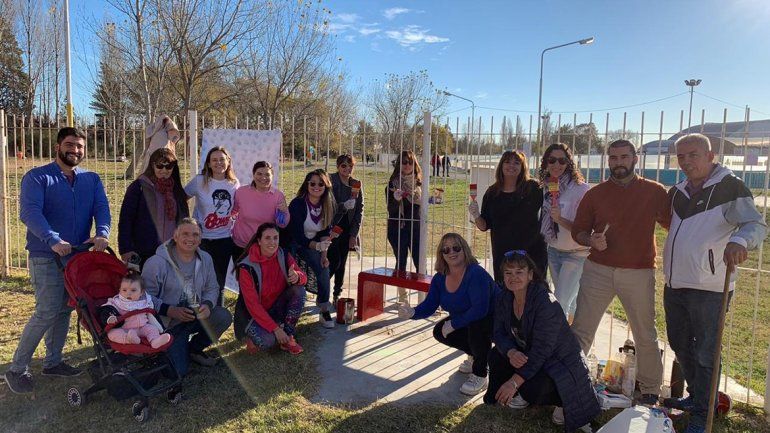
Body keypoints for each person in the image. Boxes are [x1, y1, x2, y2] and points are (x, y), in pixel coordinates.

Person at [661, 134, 766, 433]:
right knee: (679, 343)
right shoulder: (678, 190)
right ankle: (698, 397)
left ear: (711, 155)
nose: (686, 161)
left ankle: (703, 411)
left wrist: (739, 240)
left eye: (693, 154)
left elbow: (755, 224)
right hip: (676, 282)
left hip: (710, 285)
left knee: (707, 350)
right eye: (681, 156)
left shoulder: (730, 187)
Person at [4, 127, 111, 394]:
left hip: (77, 257)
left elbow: (102, 209)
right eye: (70, 145)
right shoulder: (37, 177)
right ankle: (16, 369)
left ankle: (53, 362)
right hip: (46, 256)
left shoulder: (92, 179)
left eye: (80, 146)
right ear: (57, 146)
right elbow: (30, 212)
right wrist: (52, 239)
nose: (75, 150)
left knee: (65, 309)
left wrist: (102, 233)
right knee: (46, 311)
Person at [570, 139, 670, 405]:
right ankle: (570, 381)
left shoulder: (655, 191)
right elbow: (577, 230)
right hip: (598, 270)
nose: (618, 163)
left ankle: (650, 390)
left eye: (624, 157)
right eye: (613, 158)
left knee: (645, 333)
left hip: (639, 272)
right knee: (582, 329)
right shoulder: (595, 193)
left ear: (635, 159)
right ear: (608, 161)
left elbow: (675, 225)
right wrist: (590, 240)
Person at [484, 251, 599, 432]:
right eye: (508, 273)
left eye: (519, 272)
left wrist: (514, 381)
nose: (513, 277)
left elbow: (542, 351)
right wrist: (510, 352)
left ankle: (562, 402)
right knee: (495, 356)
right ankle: (507, 394)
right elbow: (497, 333)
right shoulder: (504, 297)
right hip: (527, 354)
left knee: (532, 388)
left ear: (530, 275)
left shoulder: (546, 302)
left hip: (559, 362)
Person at [398, 233, 496, 396]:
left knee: (476, 326)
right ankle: (476, 355)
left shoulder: (475, 273)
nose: (451, 252)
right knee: (439, 331)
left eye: (456, 247)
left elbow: (480, 309)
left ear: (464, 249)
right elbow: (430, 304)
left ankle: (480, 373)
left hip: (493, 319)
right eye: (446, 249)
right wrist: (413, 312)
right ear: (441, 254)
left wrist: (454, 324)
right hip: (469, 318)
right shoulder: (439, 278)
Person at [142, 218, 232, 377]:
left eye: (195, 234)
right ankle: (171, 349)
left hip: (194, 316)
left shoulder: (205, 259)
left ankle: (194, 350)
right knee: (176, 372)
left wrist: (208, 304)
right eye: (185, 234)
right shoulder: (156, 262)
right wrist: (169, 310)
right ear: (175, 236)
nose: (190, 239)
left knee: (223, 316)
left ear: (201, 237)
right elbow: (143, 298)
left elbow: (212, 287)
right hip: (167, 325)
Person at [469, 150, 546, 282]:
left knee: (534, 295)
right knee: (506, 292)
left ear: (522, 167)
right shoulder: (492, 193)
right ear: (501, 165)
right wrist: (476, 215)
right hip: (503, 255)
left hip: (532, 254)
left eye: (517, 163)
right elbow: (484, 226)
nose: (512, 165)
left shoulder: (533, 188)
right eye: (507, 162)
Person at [233, 223, 308, 355]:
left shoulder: (283, 255)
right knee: (267, 341)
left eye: (275, 238)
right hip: (253, 316)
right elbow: (253, 305)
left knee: (299, 290)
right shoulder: (246, 267)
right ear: (259, 241)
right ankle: (254, 336)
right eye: (267, 238)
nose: (272, 242)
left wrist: (297, 277)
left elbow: (303, 278)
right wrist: (275, 329)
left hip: (276, 308)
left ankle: (288, 337)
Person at [539, 143, 591, 321]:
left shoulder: (581, 190)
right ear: (545, 162)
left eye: (562, 160)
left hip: (576, 254)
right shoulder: (546, 187)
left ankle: (557, 344)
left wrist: (561, 219)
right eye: (552, 160)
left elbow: (585, 228)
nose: (556, 165)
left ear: (569, 163)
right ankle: (577, 341)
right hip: (554, 251)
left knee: (560, 302)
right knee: (572, 301)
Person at [185, 146, 240, 306]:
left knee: (218, 282)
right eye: (214, 160)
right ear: (208, 163)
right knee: (199, 281)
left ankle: (216, 320)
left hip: (224, 240)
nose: (218, 163)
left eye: (222, 159)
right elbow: (182, 198)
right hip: (202, 240)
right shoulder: (199, 181)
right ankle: (197, 318)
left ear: (228, 162)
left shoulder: (234, 183)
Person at [119, 148, 189, 269]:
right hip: (144, 251)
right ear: (152, 165)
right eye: (160, 166)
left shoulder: (177, 190)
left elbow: (184, 220)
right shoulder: (139, 187)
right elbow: (126, 219)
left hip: (172, 252)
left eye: (169, 166)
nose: (164, 170)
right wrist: (125, 249)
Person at [288, 169, 336, 328]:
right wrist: (316, 245)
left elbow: (324, 232)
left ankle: (323, 308)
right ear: (306, 185)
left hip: (312, 243)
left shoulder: (327, 205)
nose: (317, 187)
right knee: (287, 272)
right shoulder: (298, 204)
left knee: (324, 268)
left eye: (320, 184)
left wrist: (324, 255)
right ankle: (287, 308)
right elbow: (297, 234)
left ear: (326, 186)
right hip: (293, 242)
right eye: (312, 183)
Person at [231, 161, 290, 266]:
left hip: (265, 247)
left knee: (262, 280)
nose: (263, 177)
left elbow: (282, 224)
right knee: (242, 279)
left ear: (272, 176)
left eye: (267, 174)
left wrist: (285, 211)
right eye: (259, 174)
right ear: (253, 175)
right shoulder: (241, 192)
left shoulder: (278, 196)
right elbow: (232, 212)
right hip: (241, 246)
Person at [103, 271, 172, 349]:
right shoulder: (117, 302)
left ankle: (155, 341)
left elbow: (151, 316)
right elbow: (108, 310)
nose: (128, 293)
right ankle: (129, 339)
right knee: (112, 334)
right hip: (125, 329)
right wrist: (110, 317)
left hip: (142, 327)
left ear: (141, 292)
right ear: (119, 290)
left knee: (152, 329)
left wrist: (159, 328)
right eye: (124, 290)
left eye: (133, 290)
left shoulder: (144, 302)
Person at [328, 154, 364, 304]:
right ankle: (320, 290)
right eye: (344, 166)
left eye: (350, 166)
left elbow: (359, 210)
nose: (347, 169)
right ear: (338, 166)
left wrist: (353, 234)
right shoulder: (330, 180)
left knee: (342, 263)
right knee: (333, 261)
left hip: (347, 229)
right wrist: (343, 206)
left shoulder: (356, 184)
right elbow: (327, 204)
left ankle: (337, 294)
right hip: (332, 226)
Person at [386, 150, 423, 276]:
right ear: (399, 164)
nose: (407, 165)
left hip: (416, 229)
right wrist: (396, 200)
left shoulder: (419, 185)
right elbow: (390, 210)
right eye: (404, 162)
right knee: (401, 264)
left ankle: (424, 295)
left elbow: (421, 208)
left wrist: (431, 200)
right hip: (398, 229)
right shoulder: (392, 185)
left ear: (415, 165)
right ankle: (402, 294)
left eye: (410, 162)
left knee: (420, 264)